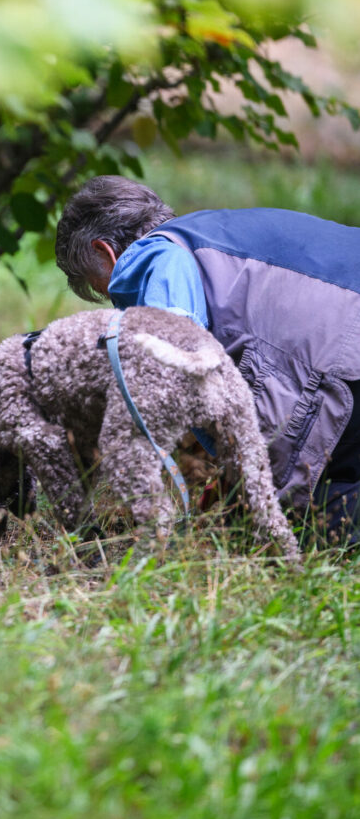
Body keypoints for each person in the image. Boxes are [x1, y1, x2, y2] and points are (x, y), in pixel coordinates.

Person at [54, 174, 360, 544]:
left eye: (97, 286)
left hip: (343, 354)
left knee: (299, 527)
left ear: (106, 253)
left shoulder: (155, 255)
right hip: (344, 345)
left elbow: (174, 359)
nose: (112, 299)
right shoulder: (211, 235)